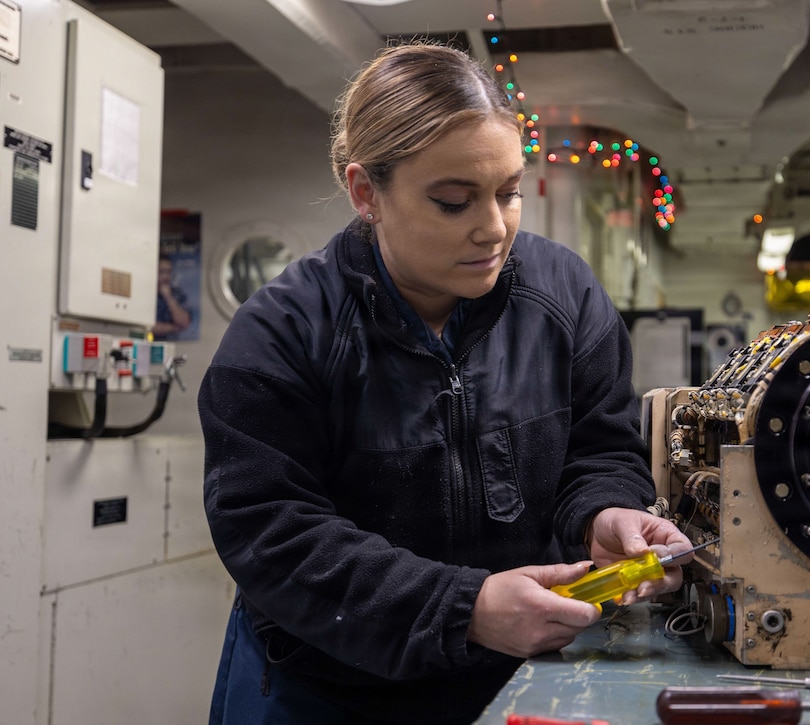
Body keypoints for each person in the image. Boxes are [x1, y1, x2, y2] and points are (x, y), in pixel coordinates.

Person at [199, 41, 693, 725]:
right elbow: (273, 533)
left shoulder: (566, 296)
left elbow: (599, 448)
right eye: (454, 202)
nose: (494, 228)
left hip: (519, 677)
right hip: (327, 690)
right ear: (366, 191)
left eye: (510, 193)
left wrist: (601, 514)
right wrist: (464, 608)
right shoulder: (282, 334)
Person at [152, 255, 192, 340]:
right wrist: (173, 328)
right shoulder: (146, 294)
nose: (165, 277)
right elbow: (146, 327)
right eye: (161, 272)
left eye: (168, 272)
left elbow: (184, 322)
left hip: (172, 343)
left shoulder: (177, 294)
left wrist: (168, 297)